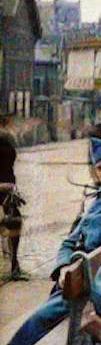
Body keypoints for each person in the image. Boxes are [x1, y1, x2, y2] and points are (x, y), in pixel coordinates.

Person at [7, 138, 101, 345]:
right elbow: (70, 241)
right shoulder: (100, 199)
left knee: (41, 322)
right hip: (78, 276)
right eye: (99, 168)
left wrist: (78, 273)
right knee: (44, 321)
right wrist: (64, 268)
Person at [0, 113, 27, 280]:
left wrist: (11, 185)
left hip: (7, 190)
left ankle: (14, 265)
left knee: (14, 222)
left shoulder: (6, 140)